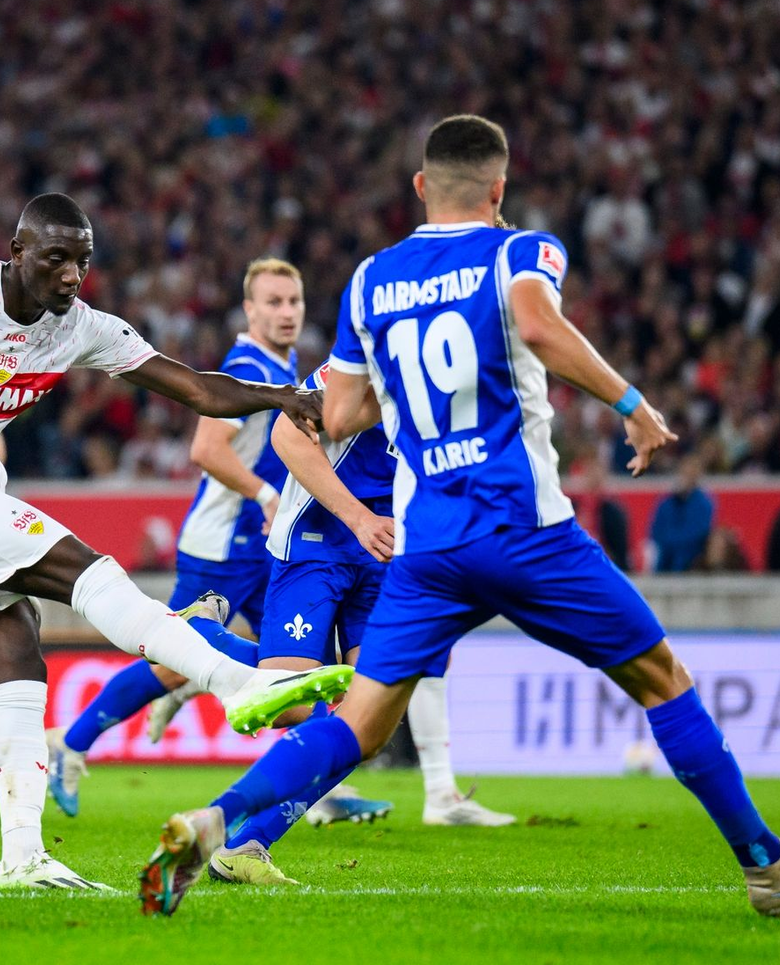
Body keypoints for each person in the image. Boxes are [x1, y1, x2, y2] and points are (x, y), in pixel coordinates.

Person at [139, 115, 780, 918]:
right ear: (500, 188)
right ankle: (767, 866)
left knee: (360, 722)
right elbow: (534, 321)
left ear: (420, 186)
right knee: (662, 679)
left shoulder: (370, 279)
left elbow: (338, 410)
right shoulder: (522, 250)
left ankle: (216, 819)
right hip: (525, 529)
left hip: (427, 547)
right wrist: (630, 401)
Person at [0, 193, 352, 891]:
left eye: (81, 261)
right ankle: (235, 683)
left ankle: (21, 855)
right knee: (87, 568)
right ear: (17, 251)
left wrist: (281, 398)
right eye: (55, 258)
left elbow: (196, 389)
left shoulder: (80, 327)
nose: (69, 275)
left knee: (18, 650)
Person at [142, 362, 515, 886]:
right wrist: (358, 516)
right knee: (292, 703)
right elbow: (285, 434)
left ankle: (247, 846)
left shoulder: (469, 390)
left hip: (389, 551)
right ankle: (202, 634)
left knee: (366, 719)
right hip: (320, 543)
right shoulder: (374, 355)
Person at [44, 257, 307, 813]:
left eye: (294, 301)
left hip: (263, 547)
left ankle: (317, 779)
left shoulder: (287, 364)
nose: (286, 312)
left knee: (296, 670)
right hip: (220, 550)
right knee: (173, 659)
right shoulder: (247, 364)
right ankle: (72, 741)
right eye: (274, 302)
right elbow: (205, 450)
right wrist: (267, 495)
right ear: (250, 309)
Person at [649, 453, 713, 571]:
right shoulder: (667, 502)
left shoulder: (704, 503)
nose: (688, 475)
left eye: (693, 471)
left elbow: (699, 533)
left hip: (691, 559)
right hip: (665, 556)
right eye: (686, 471)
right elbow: (656, 530)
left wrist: (674, 542)